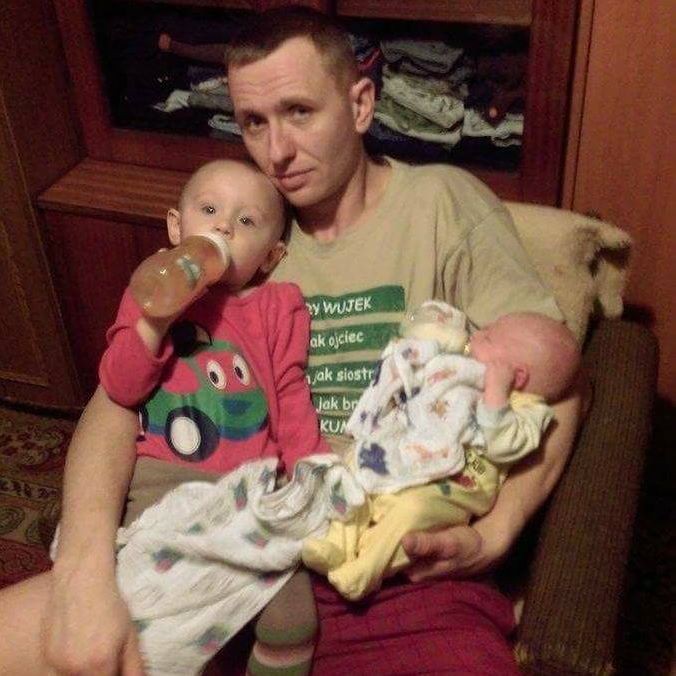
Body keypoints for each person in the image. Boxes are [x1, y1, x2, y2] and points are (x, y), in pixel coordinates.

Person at [0, 7, 586, 675]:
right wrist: (82, 572)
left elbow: (564, 383)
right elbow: (118, 399)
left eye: (299, 112)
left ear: (360, 104)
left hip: (396, 564)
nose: (276, 151)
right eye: (254, 122)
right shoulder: (241, 240)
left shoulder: (442, 205)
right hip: (226, 533)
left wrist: (496, 533)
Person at [90, 157, 334, 676]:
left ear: (271, 256)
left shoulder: (276, 306)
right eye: (208, 210)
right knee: (153, 615)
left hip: (251, 489)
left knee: (294, 620)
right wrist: (154, 321)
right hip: (162, 483)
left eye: (246, 221)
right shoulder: (153, 291)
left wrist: (313, 471)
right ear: (176, 227)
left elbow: (290, 392)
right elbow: (120, 386)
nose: (223, 227)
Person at [303, 305, 581, 601]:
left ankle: (365, 569)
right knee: (354, 471)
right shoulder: (462, 367)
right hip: (410, 453)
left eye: (488, 337)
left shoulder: (529, 412)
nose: (477, 334)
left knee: (412, 513)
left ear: (518, 376)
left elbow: (502, 444)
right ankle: (337, 543)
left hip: (451, 488)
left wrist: (497, 393)